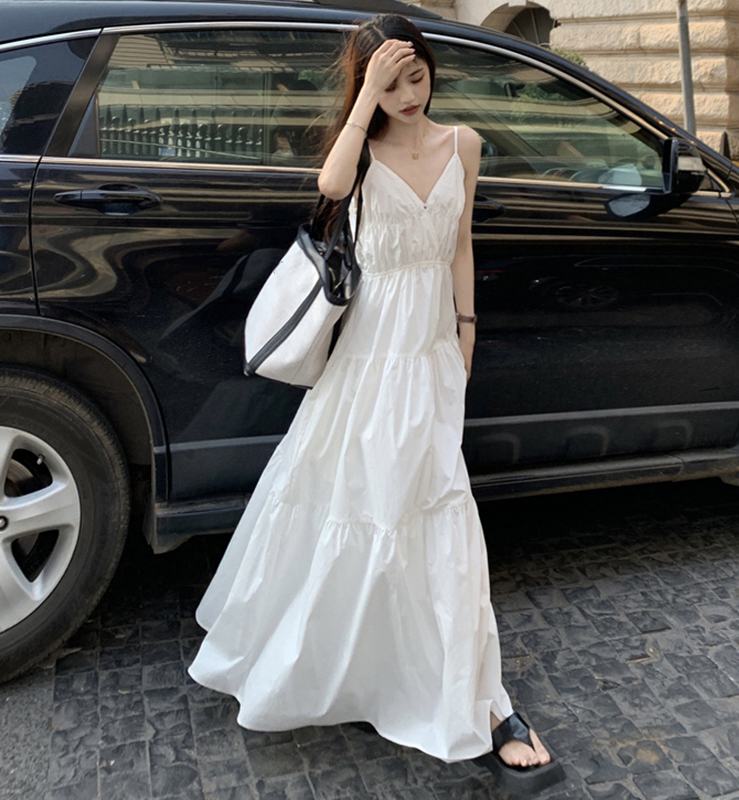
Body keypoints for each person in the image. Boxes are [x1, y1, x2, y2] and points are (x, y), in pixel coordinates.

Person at [188, 13, 565, 795]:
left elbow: (460, 243)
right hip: (367, 359)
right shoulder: (358, 152)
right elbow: (329, 188)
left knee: (438, 510)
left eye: (416, 76)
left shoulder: (464, 144)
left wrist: (466, 330)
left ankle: (479, 698)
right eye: (390, 83)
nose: (408, 95)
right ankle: (358, 669)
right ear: (368, 88)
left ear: (432, 69)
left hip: (431, 352)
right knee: (354, 503)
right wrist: (366, 100)